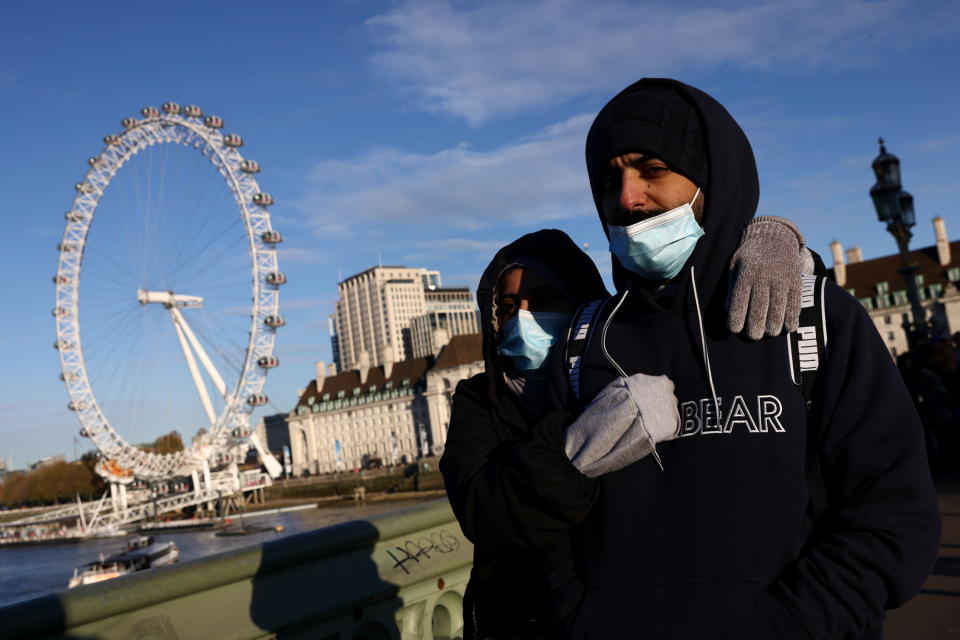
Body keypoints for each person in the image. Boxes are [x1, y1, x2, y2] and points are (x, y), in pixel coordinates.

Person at [555, 78, 941, 639]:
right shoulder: (586, 342)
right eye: (608, 179)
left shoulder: (814, 319)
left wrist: (790, 623)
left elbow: (893, 510)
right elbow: (544, 522)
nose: (626, 197)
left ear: (712, 178)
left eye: (651, 169)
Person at [441, 218, 817, 639]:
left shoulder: (619, 360)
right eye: (509, 308)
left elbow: (698, 318)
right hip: (519, 617)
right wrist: (582, 442)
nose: (523, 319)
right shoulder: (480, 399)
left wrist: (778, 240)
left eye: (542, 299)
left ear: (581, 304)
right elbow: (485, 514)